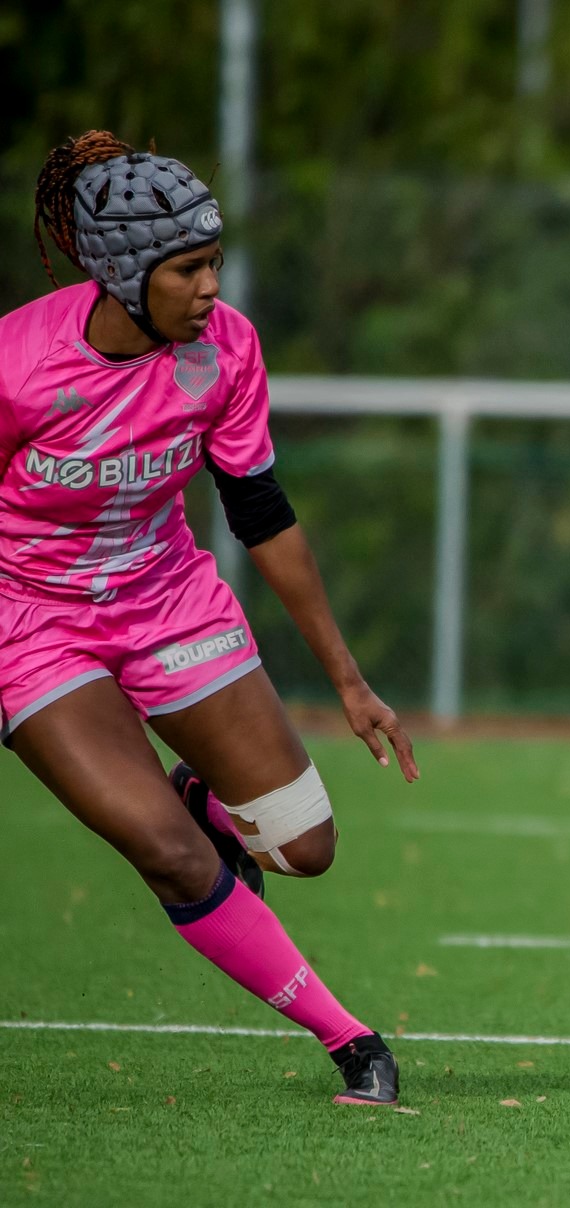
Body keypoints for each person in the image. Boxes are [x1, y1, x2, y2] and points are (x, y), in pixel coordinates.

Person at [3, 131, 418, 1105]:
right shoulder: (19, 363)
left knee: (304, 848)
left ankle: (205, 788)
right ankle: (350, 1038)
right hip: (32, 622)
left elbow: (261, 516)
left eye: (214, 261)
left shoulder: (224, 348)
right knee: (171, 853)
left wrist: (349, 679)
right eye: (188, 268)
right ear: (119, 270)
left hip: (166, 596)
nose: (210, 286)